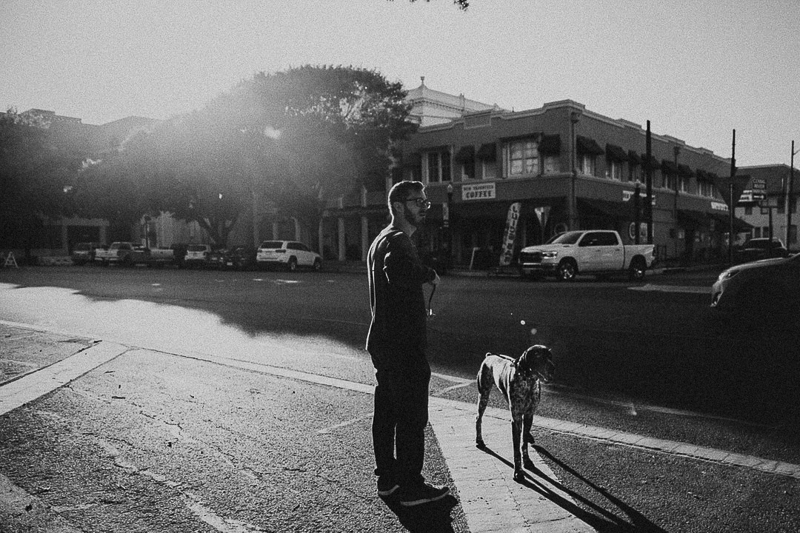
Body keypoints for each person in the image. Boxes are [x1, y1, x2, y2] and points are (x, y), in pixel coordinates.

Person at [366, 180, 450, 507]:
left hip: (384, 342)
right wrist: (427, 272)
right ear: (399, 207)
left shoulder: (379, 240)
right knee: (412, 416)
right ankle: (412, 488)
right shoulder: (399, 240)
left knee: (386, 413)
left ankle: (388, 480)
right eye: (418, 202)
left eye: (426, 202)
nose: (425, 207)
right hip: (402, 345)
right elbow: (398, 270)